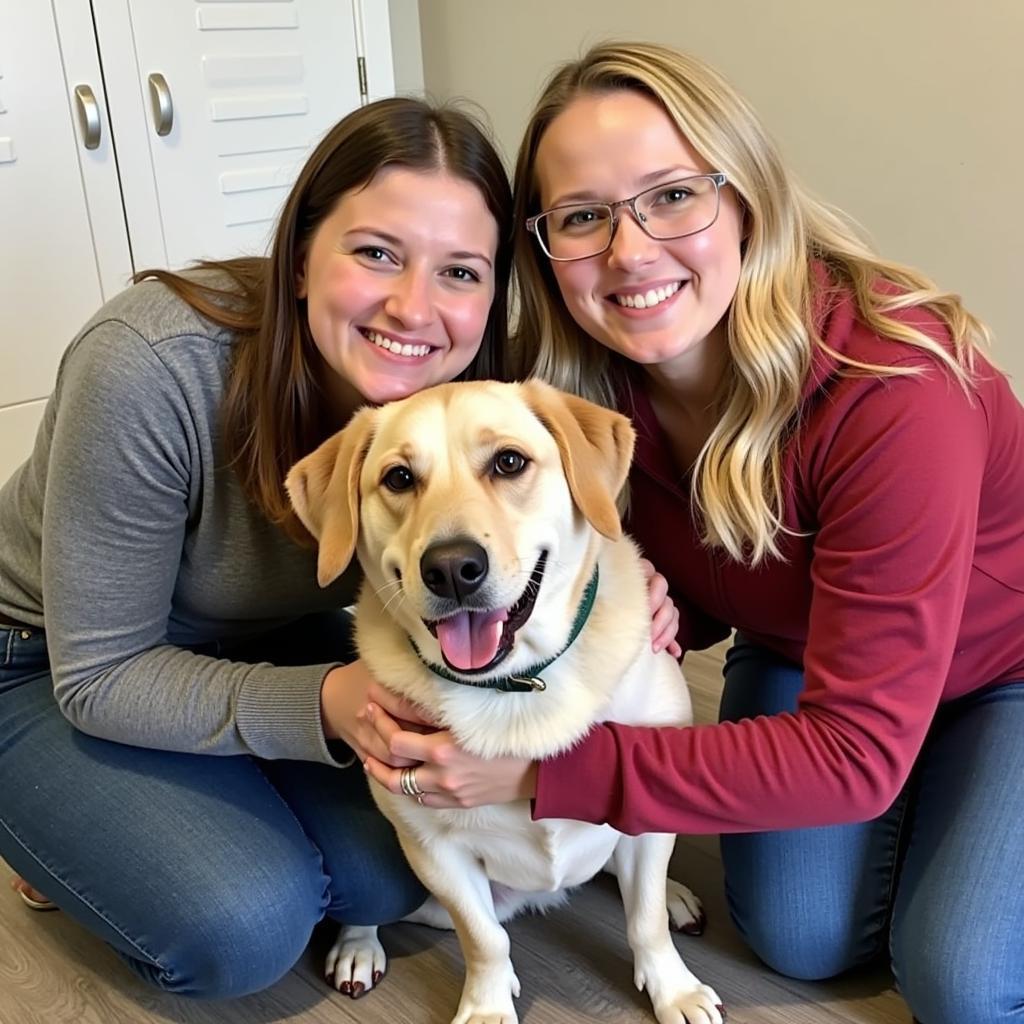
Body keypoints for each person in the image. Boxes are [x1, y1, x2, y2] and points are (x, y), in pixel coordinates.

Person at [361, 43, 1024, 1024]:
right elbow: (668, 583)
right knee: (799, 937)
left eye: (672, 196)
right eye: (582, 217)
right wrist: (653, 609)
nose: (629, 252)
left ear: (745, 195)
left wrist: (544, 769)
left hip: (997, 671)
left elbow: (850, 756)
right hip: (810, 655)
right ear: (545, 248)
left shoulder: (898, 392)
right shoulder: (584, 402)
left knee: (962, 984)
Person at [0, 96, 515, 999]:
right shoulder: (152, 365)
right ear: (303, 256)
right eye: (376, 252)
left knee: (391, 877)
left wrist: (648, 597)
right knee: (241, 927)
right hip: (48, 657)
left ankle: (162, 822)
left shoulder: (471, 387)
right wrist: (330, 701)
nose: (415, 307)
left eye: (461, 271)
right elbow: (100, 673)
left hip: (266, 639)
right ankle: (46, 818)